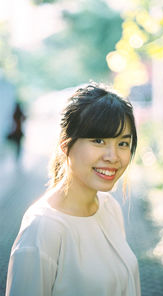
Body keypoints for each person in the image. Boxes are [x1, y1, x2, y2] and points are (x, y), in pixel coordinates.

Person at [6, 83, 141, 296]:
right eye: (98, 140)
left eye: (123, 144)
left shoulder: (109, 208)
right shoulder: (42, 228)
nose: (113, 156)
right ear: (65, 145)